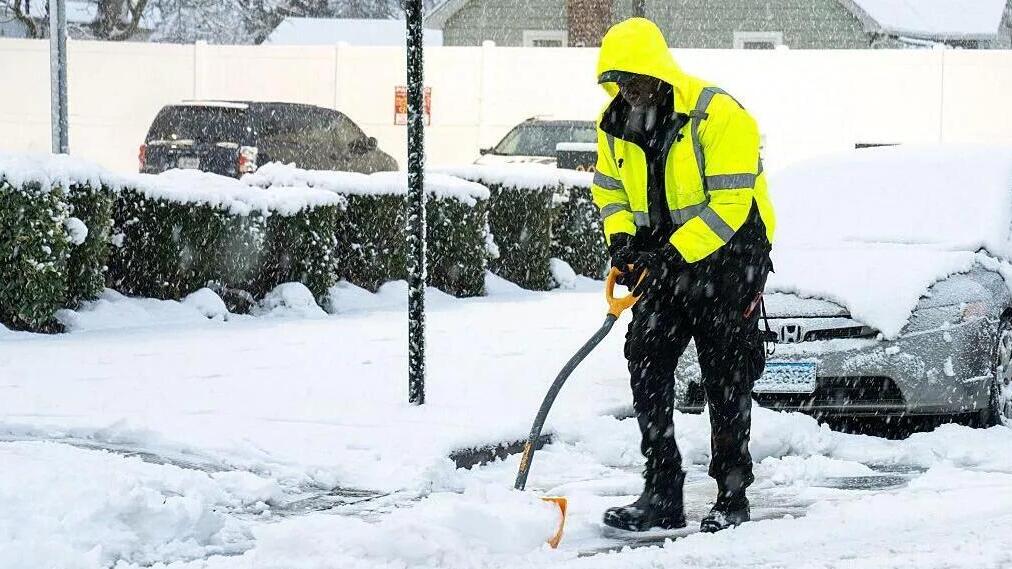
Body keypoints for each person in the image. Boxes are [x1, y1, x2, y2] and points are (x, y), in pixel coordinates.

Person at [590, 17, 776, 533]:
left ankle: (732, 493)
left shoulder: (718, 116)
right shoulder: (616, 124)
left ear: (660, 70)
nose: (629, 91)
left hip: (729, 260)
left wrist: (671, 255)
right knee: (646, 359)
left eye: (637, 79)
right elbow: (609, 191)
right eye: (620, 82)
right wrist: (622, 241)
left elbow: (730, 207)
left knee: (725, 371)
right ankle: (662, 491)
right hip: (663, 265)